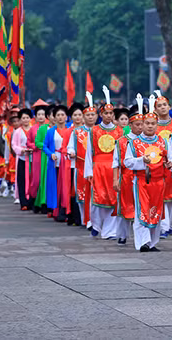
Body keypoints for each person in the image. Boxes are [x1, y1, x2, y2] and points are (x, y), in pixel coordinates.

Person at [122, 95, 172, 251]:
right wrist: (141, 161)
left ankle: (153, 242)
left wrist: (169, 164)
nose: (150, 126)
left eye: (153, 124)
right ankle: (143, 242)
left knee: (156, 211)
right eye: (147, 123)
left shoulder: (163, 141)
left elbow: (171, 158)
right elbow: (127, 162)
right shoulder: (134, 143)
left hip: (159, 181)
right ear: (142, 125)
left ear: (157, 125)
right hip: (141, 181)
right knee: (142, 212)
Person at [84, 86, 125, 238]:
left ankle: (110, 231)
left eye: (111, 113)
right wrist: (89, 171)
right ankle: (95, 224)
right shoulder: (94, 131)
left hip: (114, 169)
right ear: (101, 114)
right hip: (98, 167)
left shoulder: (119, 131)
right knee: (98, 198)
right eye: (105, 113)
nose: (108, 116)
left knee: (113, 199)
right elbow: (89, 153)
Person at [112, 100, 143, 246]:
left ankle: (141, 236)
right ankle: (122, 235)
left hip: (143, 178)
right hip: (126, 177)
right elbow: (116, 162)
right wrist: (115, 179)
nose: (140, 127)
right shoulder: (122, 141)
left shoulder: (146, 141)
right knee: (125, 207)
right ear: (130, 125)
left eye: (142, 124)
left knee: (141, 207)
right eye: (137, 124)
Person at [67, 96, 97, 227]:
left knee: (96, 194)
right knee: (82, 195)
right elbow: (70, 146)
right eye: (88, 115)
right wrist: (71, 152)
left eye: (93, 115)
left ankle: (95, 220)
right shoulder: (77, 132)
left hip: (97, 168)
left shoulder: (100, 131)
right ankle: (86, 219)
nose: (90, 117)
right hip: (81, 167)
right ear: (84, 117)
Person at [154, 91, 172, 237]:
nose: (163, 108)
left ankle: (170, 224)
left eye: (165, 105)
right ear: (155, 109)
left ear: (169, 106)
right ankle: (163, 226)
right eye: (159, 106)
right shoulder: (152, 125)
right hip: (157, 165)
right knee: (161, 195)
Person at [12, 108, 33, 210]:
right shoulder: (17, 132)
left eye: (27, 117)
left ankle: (32, 201)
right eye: (23, 118)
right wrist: (22, 150)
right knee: (22, 180)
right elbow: (14, 145)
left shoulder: (34, 129)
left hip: (33, 159)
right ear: (20, 120)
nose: (25, 120)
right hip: (22, 158)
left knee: (32, 180)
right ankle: (23, 202)